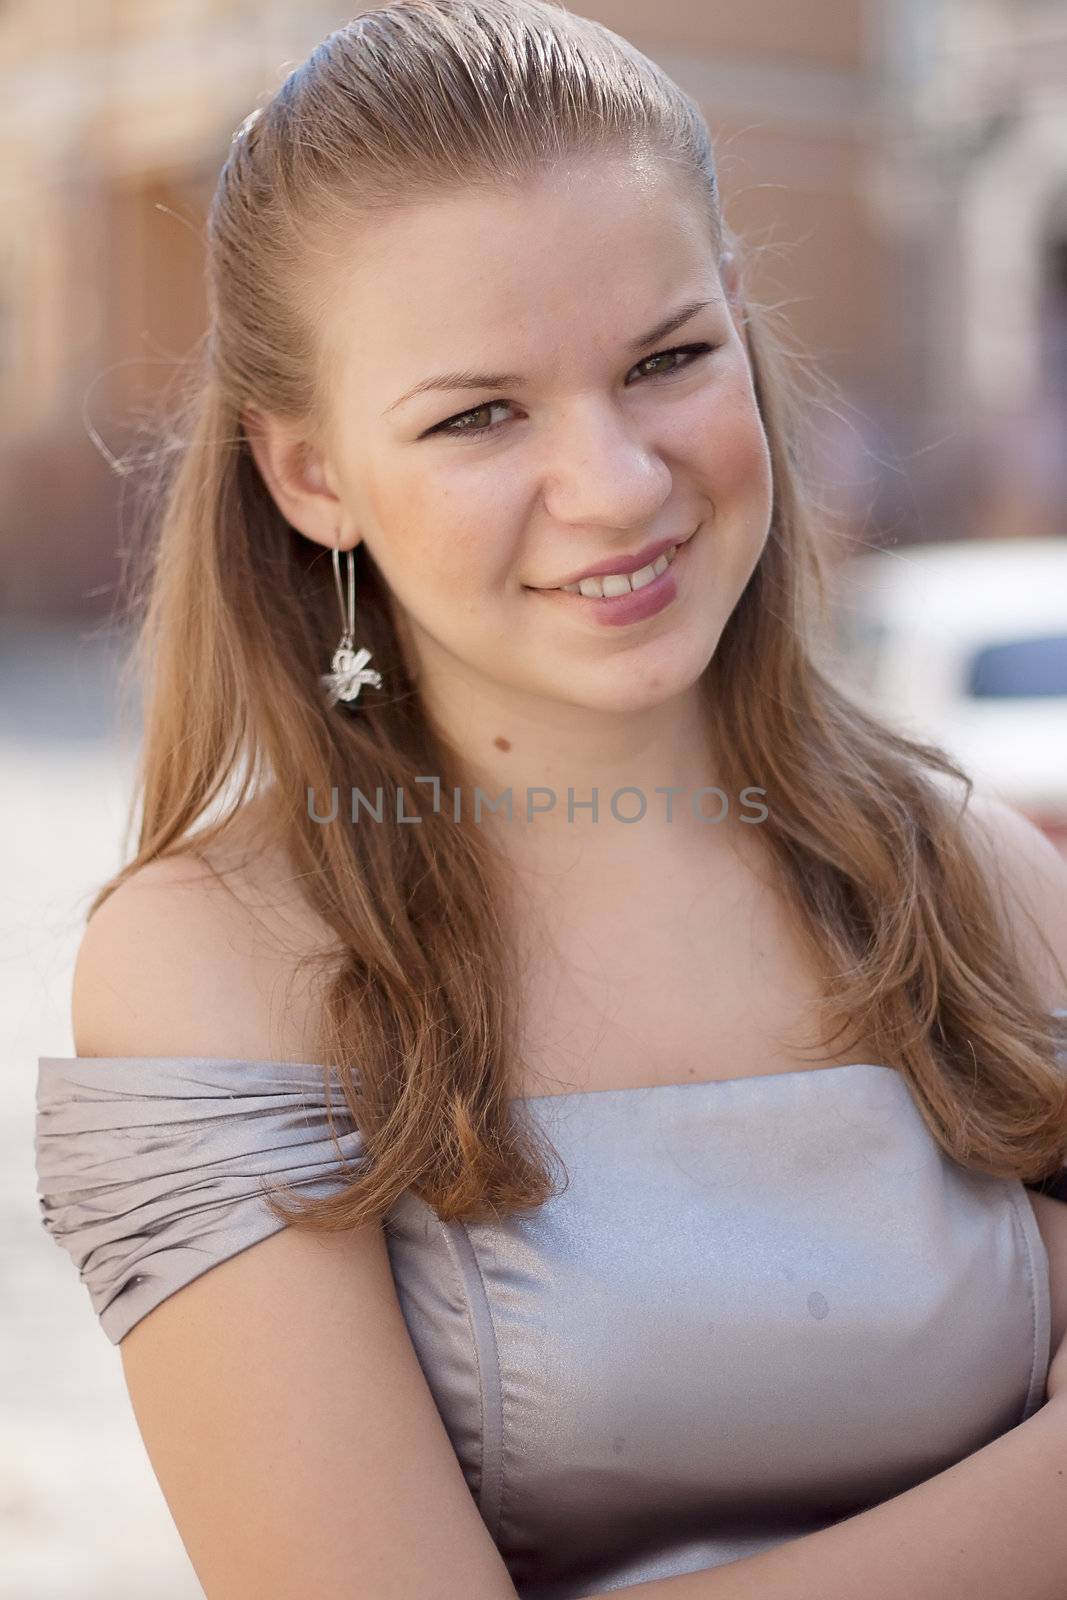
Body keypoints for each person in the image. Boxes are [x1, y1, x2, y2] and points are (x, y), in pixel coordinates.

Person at [33, 2, 1067, 1596]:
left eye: (666, 359)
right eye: (479, 414)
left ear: (739, 319)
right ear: (310, 475)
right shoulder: (216, 962)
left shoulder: (983, 880)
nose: (619, 482)